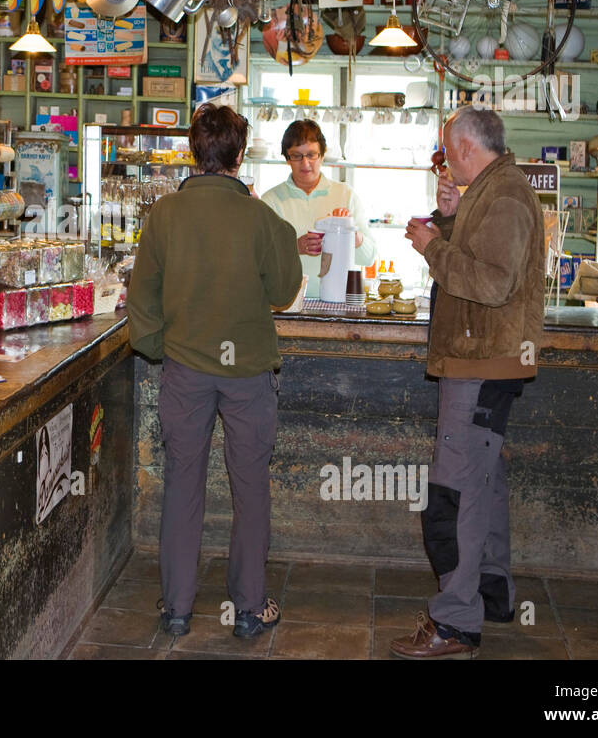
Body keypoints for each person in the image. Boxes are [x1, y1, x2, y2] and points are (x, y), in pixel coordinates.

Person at [127, 104, 303, 639]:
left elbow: (142, 298)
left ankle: (177, 608)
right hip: (248, 370)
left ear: (193, 152)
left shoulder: (163, 216)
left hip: (185, 367)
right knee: (251, 489)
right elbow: (283, 290)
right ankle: (250, 607)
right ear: (240, 155)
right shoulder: (261, 218)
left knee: (183, 482)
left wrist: (159, 347)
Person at [392, 105, 544, 659]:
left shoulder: (503, 196)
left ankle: (455, 623)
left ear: (464, 148)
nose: (445, 162)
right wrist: (452, 222)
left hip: (481, 362)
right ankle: (490, 591)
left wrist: (432, 247)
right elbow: (481, 256)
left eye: (447, 151)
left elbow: (493, 283)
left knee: (454, 493)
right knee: (484, 483)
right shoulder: (494, 188)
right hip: (487, 359)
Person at [260, 119, 377, 299]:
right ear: (287, 159)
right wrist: (295, 246)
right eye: (296, 156)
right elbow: (259, 260)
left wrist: (350, 235)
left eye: (311, 155)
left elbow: (368, 258)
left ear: (322, 155)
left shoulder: (345, 195)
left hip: (339, 301)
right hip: (287, 302)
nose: (305, 163)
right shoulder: (271, 200)